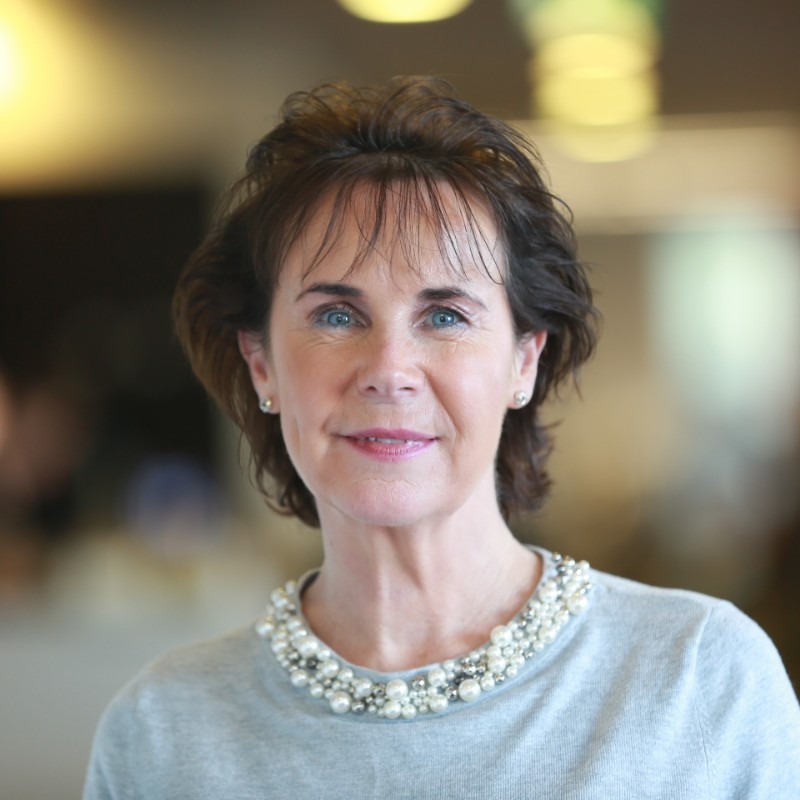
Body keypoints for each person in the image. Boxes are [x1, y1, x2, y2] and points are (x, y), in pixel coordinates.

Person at [84, 76, 800, 799]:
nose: (389, 371)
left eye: (446, 316)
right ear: (260, 361)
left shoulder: (700, 678)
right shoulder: (161, 731)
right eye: (336, 315)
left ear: (525, 360)